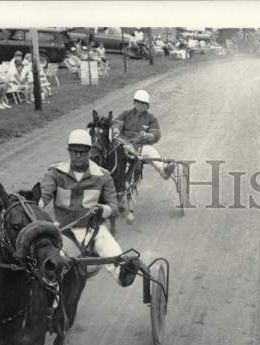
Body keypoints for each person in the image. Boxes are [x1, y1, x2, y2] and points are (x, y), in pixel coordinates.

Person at [39, 130, 147, 286]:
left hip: (92, 228)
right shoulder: (55, 173)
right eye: (74, 151)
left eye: (82, 152)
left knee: (114, 253)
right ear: (69, 151)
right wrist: (39, 203)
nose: (78, 156)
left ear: (89, 152)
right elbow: (45, 194)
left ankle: (123, 272)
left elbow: (114, 206)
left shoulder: (103, 175)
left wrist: (103, 209)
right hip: (62, 230)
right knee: (54, 266)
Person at [110, 89, 175, 221]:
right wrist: (116, 131)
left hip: (141, 147)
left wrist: (148, 135)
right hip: (124, 144)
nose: (140, 105)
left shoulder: (151, 118)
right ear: (134, 103)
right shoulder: (126, 114)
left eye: (143, 103)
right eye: (138, 102)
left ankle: (164, 171)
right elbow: (115, 124)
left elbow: (157, 135)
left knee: (151, 152)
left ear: (147, 105)